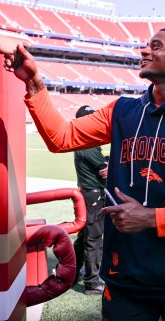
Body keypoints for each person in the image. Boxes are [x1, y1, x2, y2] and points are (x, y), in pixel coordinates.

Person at [10, 28, 165, 321]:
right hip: (127, 274)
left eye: (156, 46)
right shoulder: (122, 111)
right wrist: (33, 82)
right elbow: (62, 137)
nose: (144, 52)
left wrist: (150, 217)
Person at [72, 104, 109, 295]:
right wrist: (111, 164)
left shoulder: (83, 141)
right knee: (94, 240)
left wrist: (109, 164)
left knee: (84, 238)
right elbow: (104, 170)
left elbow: (105, 166)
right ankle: (92, 282)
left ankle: (72, 273)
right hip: (93, 195)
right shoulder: (88, 142)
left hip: (88, 194)